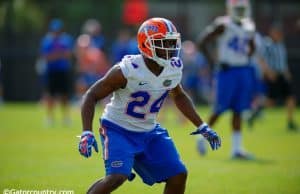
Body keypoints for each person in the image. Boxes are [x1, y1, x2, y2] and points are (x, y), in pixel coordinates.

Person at [78, 17, 221, 194]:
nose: (170, 48)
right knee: (116, 177)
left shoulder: (172, 67)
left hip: (149, 130)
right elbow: (91, 95)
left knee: (178, 174)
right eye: (163, 43)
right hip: (118, 129)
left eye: (171, 42)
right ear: (146, 44)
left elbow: (179, 96)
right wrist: (86, 131)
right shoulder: (127, 70)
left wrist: (202, 125)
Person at [196, 0, 255, 159]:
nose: (241, 12)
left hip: (242, 70)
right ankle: (202, 138)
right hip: (226, 72)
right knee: (219, 109)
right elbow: (202, 41)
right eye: (238, 8)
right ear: (231, 9)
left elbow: (252, 45)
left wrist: (245, 58)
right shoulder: (223, 24)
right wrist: (213, 62)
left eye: (243, 8)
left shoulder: (249, 25)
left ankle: (236, 149)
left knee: (239, 110)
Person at [263, 24, 298, 130]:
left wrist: (287, 72)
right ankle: (255, 114)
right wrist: (268, 72)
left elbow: (283, 61)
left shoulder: (281, 45)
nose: (278, 35)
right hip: (274, 75)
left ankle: (290, 121)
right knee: (271, 102)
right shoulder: (268, 45)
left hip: (282, 75)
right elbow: (262, 60)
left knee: (291, 97)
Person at [40, 18, 73, 126]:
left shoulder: (66, 39)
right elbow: (46, 57)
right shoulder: (47, 40)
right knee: (50, 95)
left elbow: (68, 55)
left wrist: (56, 55)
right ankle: (49, 118)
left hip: (63, 71)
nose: (56, 32)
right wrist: (60, 54)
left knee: (65, 95)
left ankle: (66, 118)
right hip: (51, 71)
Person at [75, 19, 110, 100]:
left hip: (99, 68)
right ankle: (82, 101)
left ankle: (104, 102)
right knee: (82, 85)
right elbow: (80, 54)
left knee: (102, 86)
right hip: (87, 68)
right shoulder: (83, 39)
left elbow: (103, 55)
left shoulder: (101, 40)